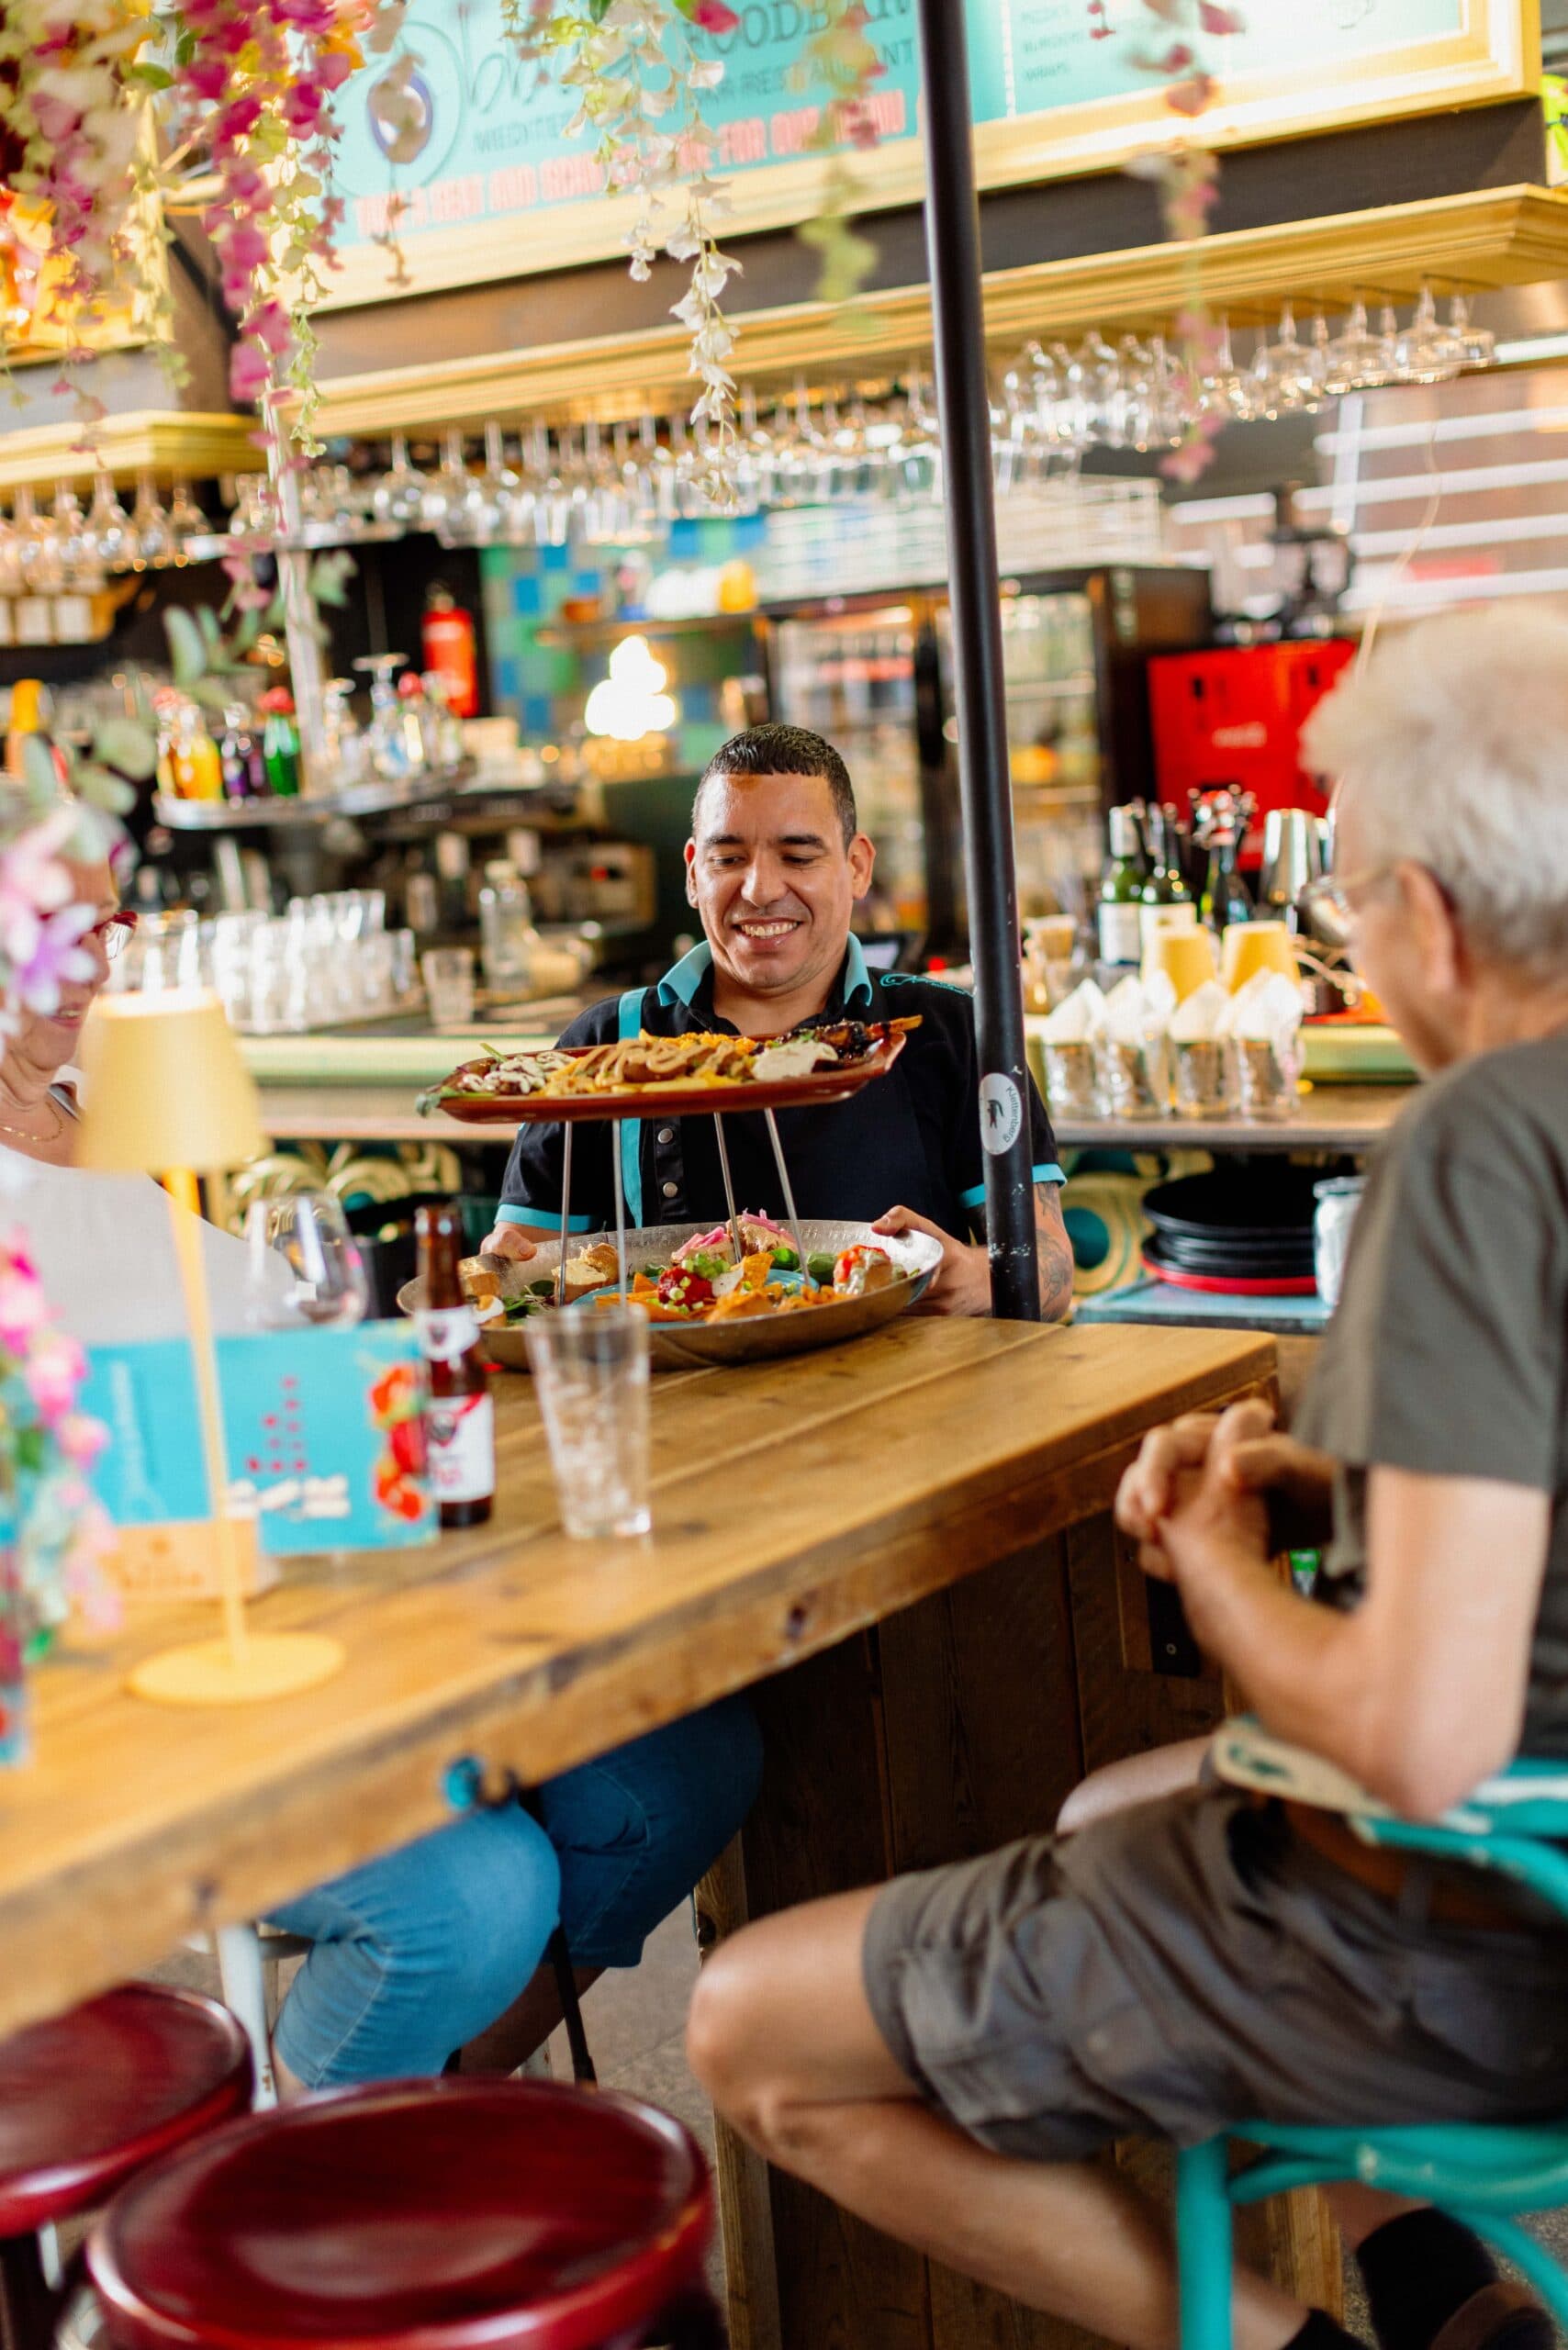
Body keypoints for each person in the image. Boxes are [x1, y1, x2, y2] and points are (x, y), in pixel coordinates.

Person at [686, 608, 1568, 2350]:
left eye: (1349, 902)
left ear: (1432, 916)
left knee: (743, 2024)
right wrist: (1320, 1492)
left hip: (1465, 1935)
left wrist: (1204, 1546)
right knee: (1105, 1814)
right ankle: (1451, 2314)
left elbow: (1414, 1737)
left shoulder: (1471, 1142)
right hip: (1526, 1876)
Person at [9, 844, 761, 2095]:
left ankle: (413, 2117)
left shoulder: (100, 1092)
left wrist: (368, 1351)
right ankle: (289, 2173)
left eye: (111, 925)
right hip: (123, 1677)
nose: (97, 966)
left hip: (314, 1597)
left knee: (679, 1768)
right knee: (473, 1892)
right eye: (57, 929)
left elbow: (250, 1325)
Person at [484, 723, 1074, 1320]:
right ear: (693, 873)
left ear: (858, 867)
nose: (761, 889)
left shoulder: (952, 1031)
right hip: (685, 1402)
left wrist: (972, 1277)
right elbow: (523, 1277)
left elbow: (1051, 1270)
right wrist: (505, 1272)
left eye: (797, 856)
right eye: (728, 858)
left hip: (907, 1397)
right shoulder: (606, 1046)